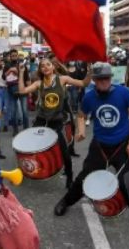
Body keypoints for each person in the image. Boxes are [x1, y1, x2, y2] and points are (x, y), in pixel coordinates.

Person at [53, 63, 129, 233]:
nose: (103, 82)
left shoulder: (124, 93)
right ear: (95, 81)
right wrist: (81, 130)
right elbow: (81, 115)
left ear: (111, 78)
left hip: (124, 145)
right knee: (83, 179)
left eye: (106, 78)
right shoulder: (89, 97)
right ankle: (66, 202)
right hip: (100, 146)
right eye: (99, 79)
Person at [18, 56, 86, 189]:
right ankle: (28, 169)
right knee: (28, 145)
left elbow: (83, 83)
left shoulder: (63, 79)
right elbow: (22, 91)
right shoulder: (39, 83)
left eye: (48, 65)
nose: (45, 67)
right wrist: (21, 73)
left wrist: (89, 70)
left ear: (53, 66)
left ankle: (69, 176)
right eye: (42, 66)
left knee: (64, 150)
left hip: (56, 121)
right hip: (42, 119)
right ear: (40, 70)